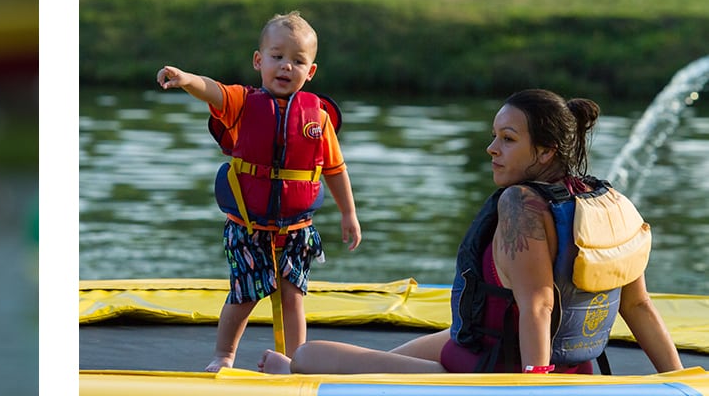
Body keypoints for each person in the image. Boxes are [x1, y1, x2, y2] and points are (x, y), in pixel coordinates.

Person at [256, 89, 684, 375]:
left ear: (546, 151)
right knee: (439, 337)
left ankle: (287, 370)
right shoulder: (607, 202)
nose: (492, 149)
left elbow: (538, 305)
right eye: (494, 136)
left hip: (495, 371)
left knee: (308, 356)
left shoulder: (521, 205)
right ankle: (378, 366)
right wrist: (679, 380)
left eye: (508, 139)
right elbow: (639, 304)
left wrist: (534, 386)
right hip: (570, 366)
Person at [155, 11, 362, 372]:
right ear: (259, 60)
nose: (286, 67)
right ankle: (224, 355)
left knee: (292, 297)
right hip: (247, 226)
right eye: (277, 57)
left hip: (297, 230)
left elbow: (335, 170)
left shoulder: (319, 118)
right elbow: (212, 89)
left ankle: (295, 361)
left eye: (298, 61)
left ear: (310, 72)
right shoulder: (241, 103)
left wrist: (349, 213)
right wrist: (186, 79)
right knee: (244, 295)